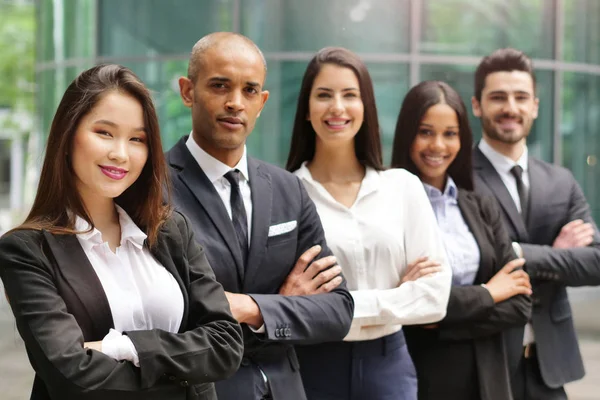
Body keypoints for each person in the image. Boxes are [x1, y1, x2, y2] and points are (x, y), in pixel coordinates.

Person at [0, 64, 244, 400]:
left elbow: (226, 345)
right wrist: (184, 370)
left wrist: (124, 346)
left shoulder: (170, 230)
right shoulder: (27, 249)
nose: (120, 153)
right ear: (68, 136)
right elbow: (69, 376)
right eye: (104, 132)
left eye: (137, 139)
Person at [166, 33, 354, 400]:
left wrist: (251, 308)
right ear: (188, 91)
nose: (235, 103)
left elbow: (337, 310)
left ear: (262, 101)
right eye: (220, 86)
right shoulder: (152, 189)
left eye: (250, 90)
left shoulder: (288, 189)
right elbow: (172, 316)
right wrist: (286, 304)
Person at [285, 47, 451, 400]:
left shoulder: (402, 187)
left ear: (366, 107)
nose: (337, 108)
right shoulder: (284, 194)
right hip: (310, 365)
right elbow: (281, 302)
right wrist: (396, 296)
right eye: (324, 95)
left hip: (387, 364)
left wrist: (332, 307)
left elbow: (435, 298)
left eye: (350, 95)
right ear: (306, 110)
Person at [471, 48, 600, 400]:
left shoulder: (561, 181)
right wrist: (556, 255)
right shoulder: (459, 178)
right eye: (498, 97)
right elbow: (475, 264)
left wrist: (515, 253)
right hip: (482, 365)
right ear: (477, 105)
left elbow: (596, 264)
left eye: (521, 97)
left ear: (535, 107)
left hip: (548, 368)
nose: (511, 107)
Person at [391, 80, 532, 400]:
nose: (438, 145)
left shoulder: (480, 204)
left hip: (488, 381)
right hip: (420, 378)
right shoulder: (387, 204)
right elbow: (400, 306)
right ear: (407, 134)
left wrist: (437, 319)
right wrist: (489, 293)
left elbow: (520, 303)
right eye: (426, 131)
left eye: (450, 133)